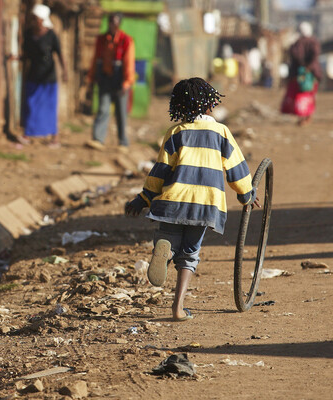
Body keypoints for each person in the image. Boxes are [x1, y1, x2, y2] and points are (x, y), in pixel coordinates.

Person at [125, 78, 260, 321]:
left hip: (173, 200)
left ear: (180, 107)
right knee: (190, 254)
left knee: (169, 236)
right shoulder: (222, 133)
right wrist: (246, 195)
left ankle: (164, 249)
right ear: (209, 105)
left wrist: (143, 198)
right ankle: (177, 308)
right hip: (205, 205)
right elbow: (237, 171)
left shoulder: (176, 133)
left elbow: (160, 171)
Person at [86, 12, 135, 153]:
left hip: (121, 80)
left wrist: (127, 82)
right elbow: (96, 59)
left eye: (115, 22)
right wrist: (91, 77)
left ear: (119, 23)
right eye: (111, 22)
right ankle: (98, 139)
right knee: (103, 109)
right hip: (105, 79)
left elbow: (129, 63)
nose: (113, 24)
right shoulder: (101, 40)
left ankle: (123, 142)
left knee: (121, 112)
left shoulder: (126, 40)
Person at [20, 4, 67, 148]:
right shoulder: (28, 34)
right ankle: (27, 134)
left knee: (49, 107)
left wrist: (65, 71)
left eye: (36, 18)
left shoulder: (51, 35)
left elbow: (59, 54)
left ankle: (55, 138)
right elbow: (26, 54)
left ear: (42, 19)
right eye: (33, 18)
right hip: (33, 75)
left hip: (48, 78)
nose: (34, 21)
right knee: (31, 104)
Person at [281, 22, 322, 126]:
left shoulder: (298, 43)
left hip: (301, 74)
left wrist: (304, 65)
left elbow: (295, 55)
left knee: (301, 96)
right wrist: (309, 66)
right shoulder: (314, 42)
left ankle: (304, 117)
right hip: (312, 73)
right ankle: (308, 117)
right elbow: (315, 55)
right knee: (310, 95)